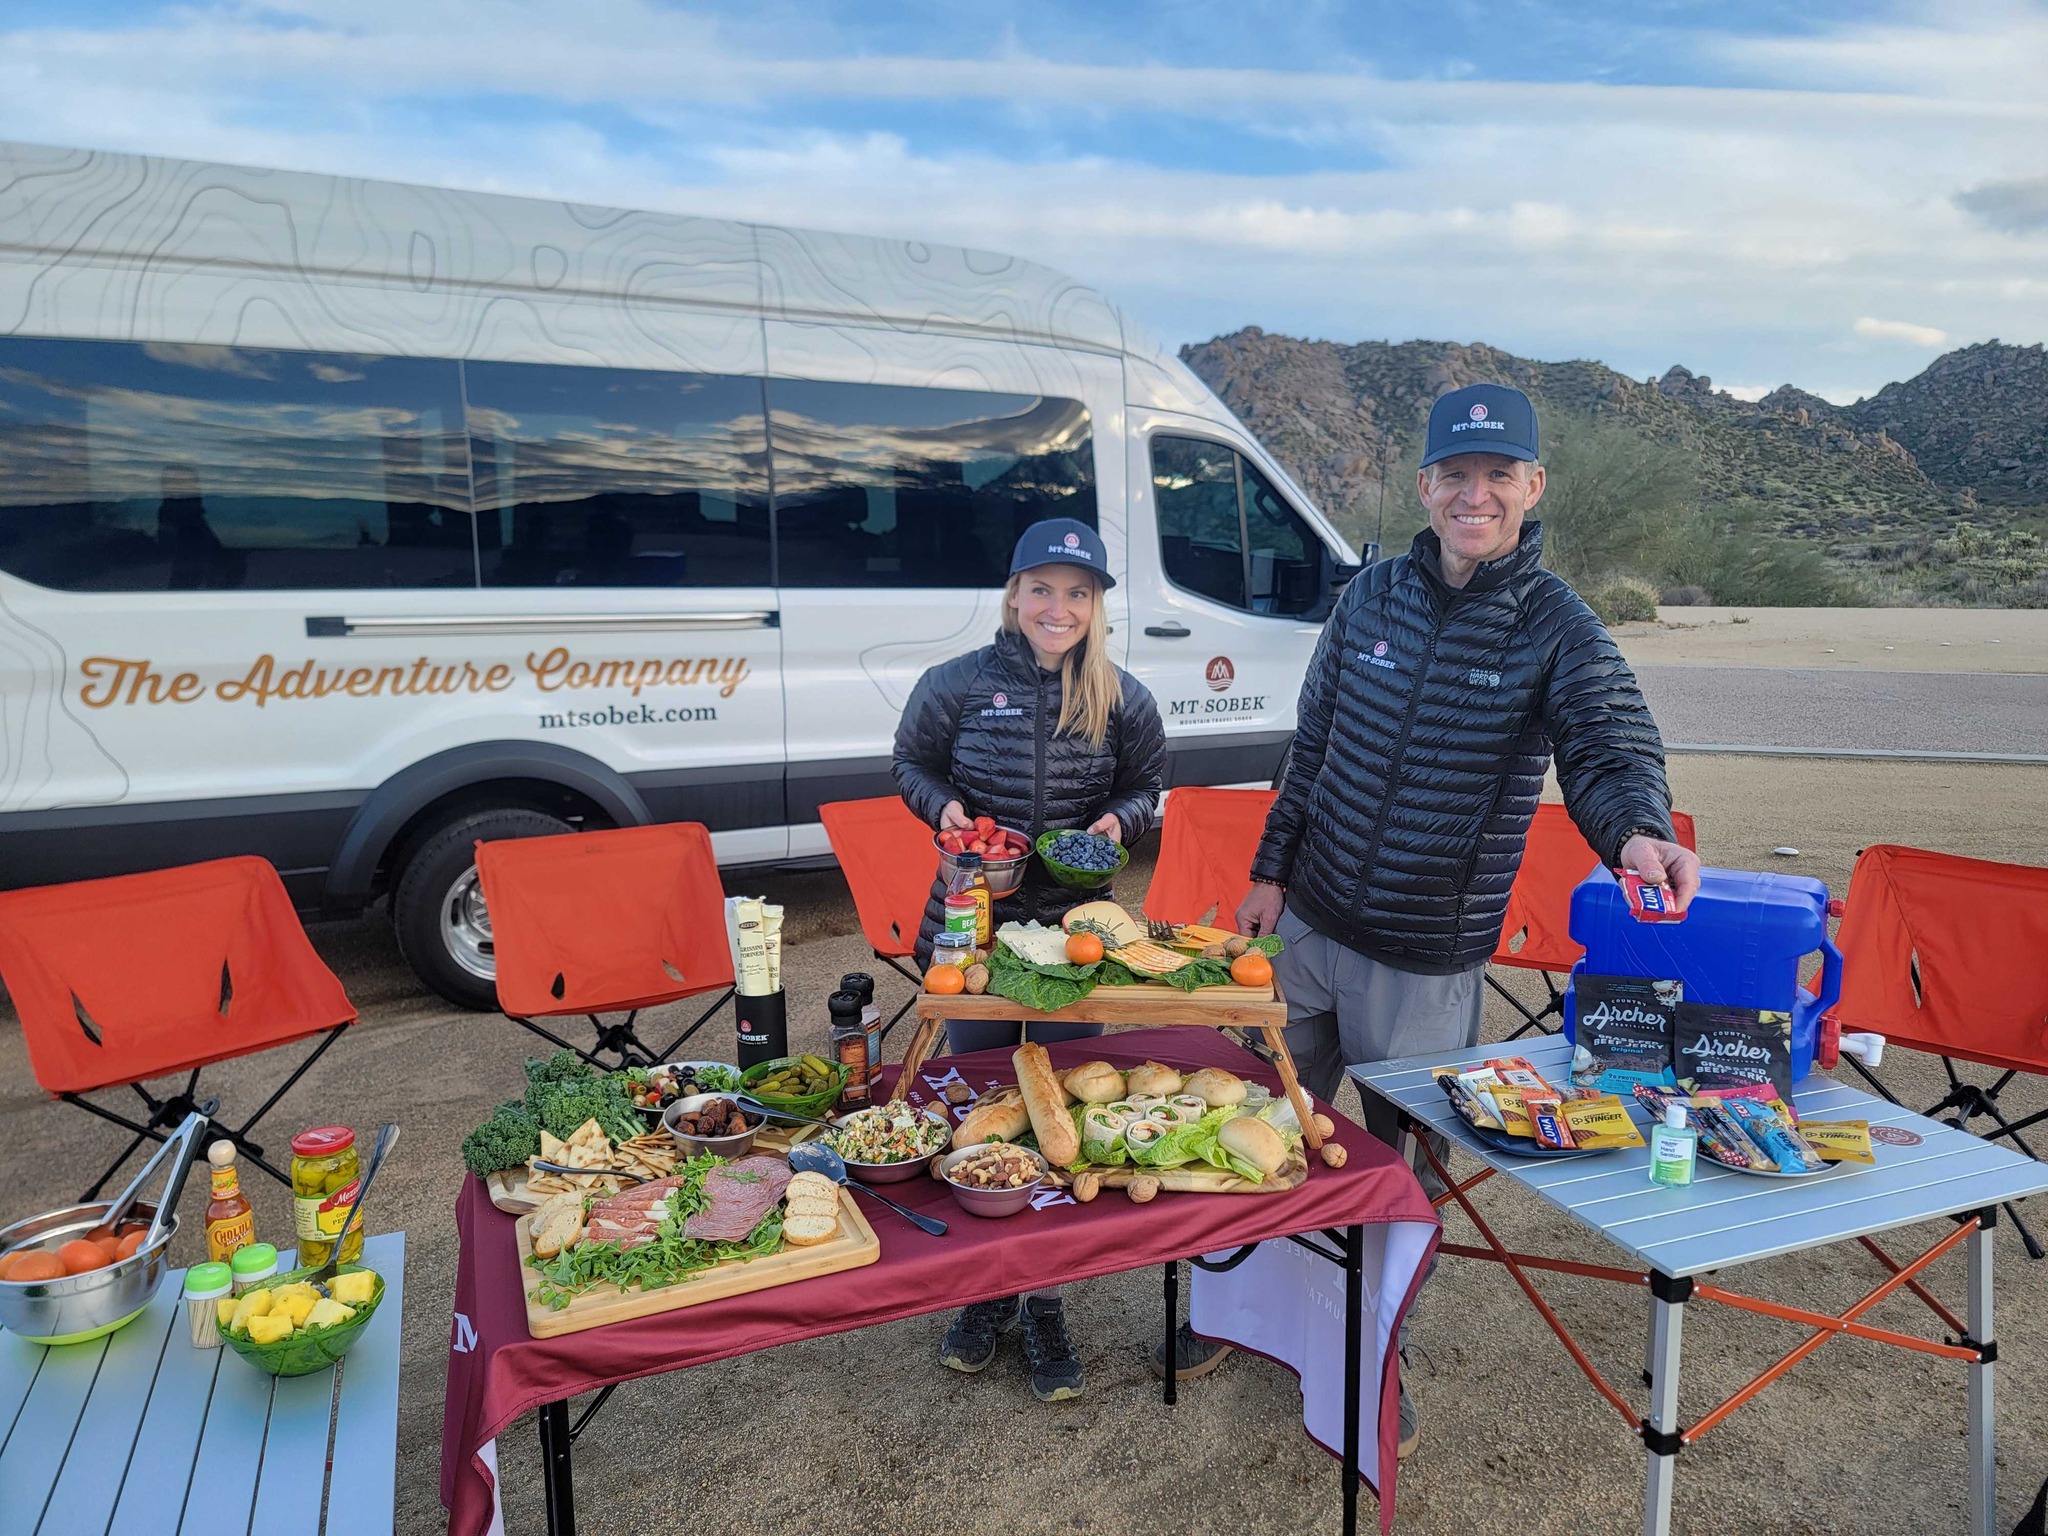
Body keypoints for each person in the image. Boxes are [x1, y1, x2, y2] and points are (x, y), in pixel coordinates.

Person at [1170, 382, 1701, 1451]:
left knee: (1398, 1171)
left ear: (1530, 487)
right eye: (1454, 475)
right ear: (1422, 485)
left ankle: (1375, 1351)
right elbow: (1310, 740)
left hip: (1423, 960)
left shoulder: (1555, 624)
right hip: (1309, 927)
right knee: (1258, 1118)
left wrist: (1635, 829)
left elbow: (1606, 742)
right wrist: (1272, 870)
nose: (1475, 493)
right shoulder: (1367, 597)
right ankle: (1232, 1297)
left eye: (1497, 474)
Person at [892, 516, 1165, 1403]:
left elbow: (1147, 787)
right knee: (979, 1110)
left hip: (1073, 935)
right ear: (1013, 595)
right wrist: (946, 812)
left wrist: (1119, 823)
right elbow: (910, 762)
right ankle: (985, 1293)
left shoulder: (1123, 696)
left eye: (1078, 594)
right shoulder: (957, 682)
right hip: (973, 923)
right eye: (1042, 589)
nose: (1059, 607)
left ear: (1096, 608)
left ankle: (1042, 1300)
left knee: (1058, 1117)